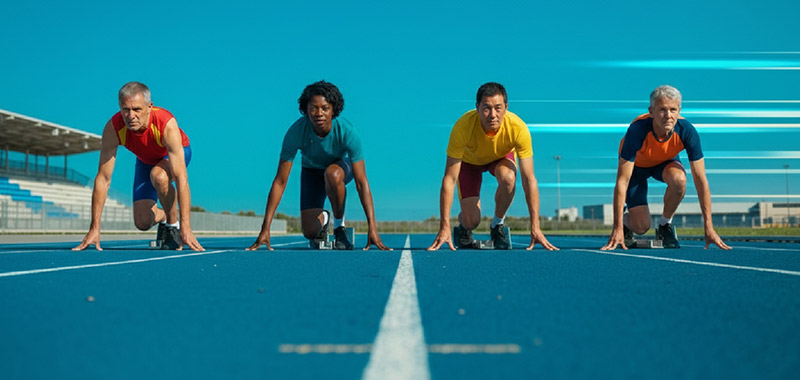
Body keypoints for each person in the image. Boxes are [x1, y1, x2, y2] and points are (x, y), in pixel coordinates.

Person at [247, 80, 391, 251]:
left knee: (332, 174)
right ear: (306, 110)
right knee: (309, 232)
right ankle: (324, 219)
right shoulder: (295, 133)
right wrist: (265, 228)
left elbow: (361, 182)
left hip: (340, 168)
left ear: (333, 110)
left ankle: (339, 228)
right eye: (313, 108)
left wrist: (372, 228)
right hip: (312, 172)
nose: (318, 113)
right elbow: (280, 181)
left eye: (325, 108)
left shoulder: (348, 132)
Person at [74, 82, 204, 251]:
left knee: (159, 176)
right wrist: (94, 228)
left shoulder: (166, 124)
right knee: (142, 222)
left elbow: (181, 179)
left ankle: (172, 225)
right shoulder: (113, 128)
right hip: (145, 161)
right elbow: (103, 178)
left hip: (177, 153)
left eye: (137, 109)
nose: (130, 116)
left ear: (149, 107)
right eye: (125, 109)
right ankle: (165, 212)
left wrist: (186, 227)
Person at [427, 82, 557, 251]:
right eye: (486, 108)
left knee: (509, 177)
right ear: (477, 108)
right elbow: (449, 179)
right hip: (469, 163)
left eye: (498, 108)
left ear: (506, 107)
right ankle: (463, 226)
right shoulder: (462, 128)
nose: (492, 115)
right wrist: (444, 226)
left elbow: (529, 179)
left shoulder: (518, 129)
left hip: (500, 158)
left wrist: (536, 227)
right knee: (472, 220)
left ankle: (497, 225)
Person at [601, 85, 731, 250]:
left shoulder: (687, 131)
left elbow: (700, 180)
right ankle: (627, 222)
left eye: (673, 110)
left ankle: (665, 226)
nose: (668, 116)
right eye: (662, 110)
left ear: (679, 111)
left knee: (679, 179)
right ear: (651, 111)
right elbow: (622, 181)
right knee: (641, 227)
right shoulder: (637, 130)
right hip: (636, 168)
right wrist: (617, 227)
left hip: (664, 163)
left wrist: (709, 227)